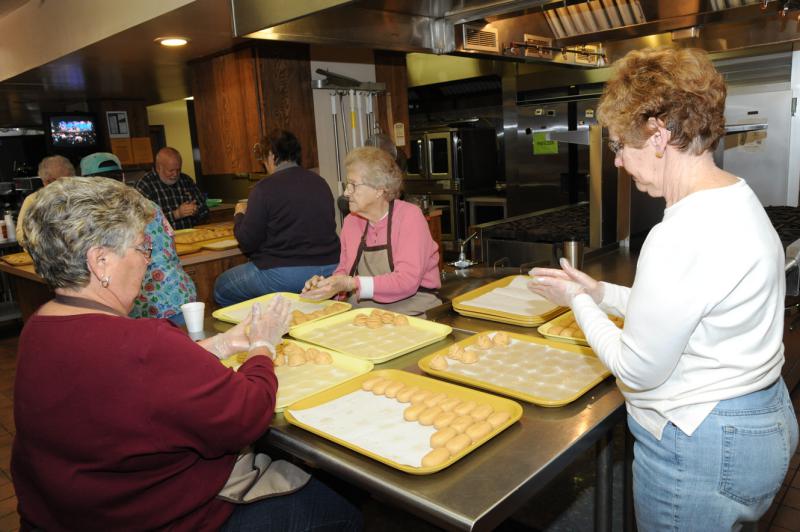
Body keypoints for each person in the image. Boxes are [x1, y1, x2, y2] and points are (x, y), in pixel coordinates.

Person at [528, 47, 798, 530]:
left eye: (617, 145)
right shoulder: (735, 197)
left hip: (702, 441)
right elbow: (688, 313)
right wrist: (600, 293)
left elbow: (637, 369)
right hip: (758, 417)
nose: (616, 162)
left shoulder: (681, 232)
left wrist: (576, 304)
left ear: (658, 135)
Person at [13, 176, 361, 531]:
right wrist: (263, 346)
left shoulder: (37, 329)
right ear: (100, 261)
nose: (147, 262)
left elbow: (136, 388)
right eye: (140, 248)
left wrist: (220, 345)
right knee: (340, 509)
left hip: (71, 516)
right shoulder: (144, 344)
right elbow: (249, 414)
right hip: (167, 519)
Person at [302, 146, 441, 316]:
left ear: (379, 190)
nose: (346, 193)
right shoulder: (351, 222)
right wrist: (326, 286)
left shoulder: (409, 217)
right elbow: (344, 273)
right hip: (364, 311)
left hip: (413, 309)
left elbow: (407, 281)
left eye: (353, 185)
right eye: (347, 185)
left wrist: (352, 284)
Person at [213, 129, 340, 306]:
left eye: (264, 159)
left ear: (272, 155)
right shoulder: (320, 182)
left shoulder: (264, 188)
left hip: (285, 275)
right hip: (330, 268)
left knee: (221, 288)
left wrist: (239, 214)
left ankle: (258, 329)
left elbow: (248, 241)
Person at [80, 152, 198, 323]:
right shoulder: (148, 204)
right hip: (181, 293)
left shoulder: (95, 216)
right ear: (121, 177)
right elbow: (169, 246)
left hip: (146, 307)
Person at [135, 146, 209, 229]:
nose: (175, 174)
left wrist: (196, 210)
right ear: (158, 168)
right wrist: (176, 214)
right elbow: (141, 221)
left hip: (190, 235)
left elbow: (205, 211)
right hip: (162, 240)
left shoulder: (186, 181)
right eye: (171, 170)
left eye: (178, 170)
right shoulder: (145, 185)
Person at [15, 155, 75, 245]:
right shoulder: (33, 200)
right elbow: (21, 235)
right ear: (47, 182)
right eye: (62, 181)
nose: (68, 185)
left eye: (71, 180)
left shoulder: (79, 195)